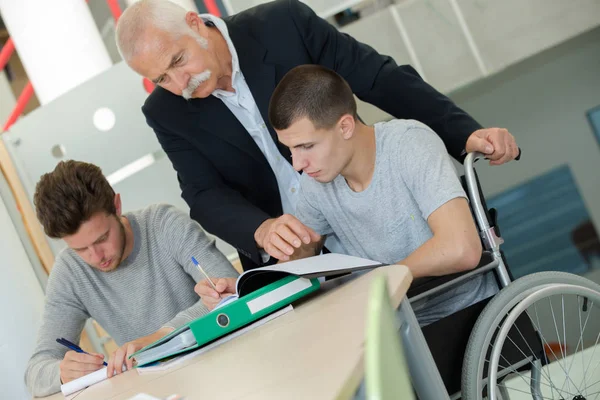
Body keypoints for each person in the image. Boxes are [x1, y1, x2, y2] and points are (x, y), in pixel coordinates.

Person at [115, 0, 519, 273]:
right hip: (295, 258)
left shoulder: (281, 25)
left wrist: (463, 133)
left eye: (178, 62)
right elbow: (202, 194)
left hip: (374, 231)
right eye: (161, 79)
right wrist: (262, 230)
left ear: (194, 24)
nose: (179, 83)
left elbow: (376, 76)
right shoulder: (165, 113)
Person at [264, 64, 494, 325]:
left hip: (467, 315)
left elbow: (461, 248)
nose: (297, 164)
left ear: (346, 127)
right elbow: (302, 254)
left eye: (307, 146)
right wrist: (249, 288)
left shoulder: (409, 144)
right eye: (291, 150)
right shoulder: (316, 183)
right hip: (396, 327)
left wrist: (383, 280)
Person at [25, 161, 238, 397]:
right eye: (80, 249)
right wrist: (62, 372)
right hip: (160, 391)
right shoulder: (70, 272)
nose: (96, 257)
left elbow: (233, 291)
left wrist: (161, 337)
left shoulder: (164, 224)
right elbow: (35, 372)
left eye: (102, 238)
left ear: (117, 207)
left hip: (224, 366)